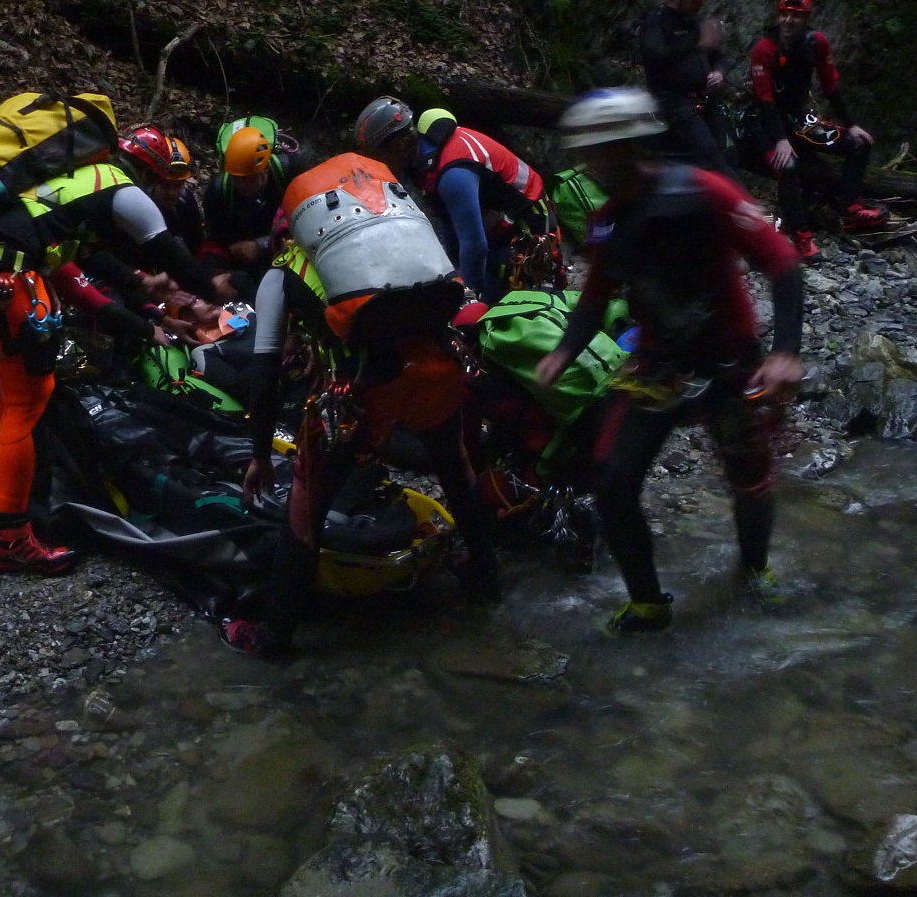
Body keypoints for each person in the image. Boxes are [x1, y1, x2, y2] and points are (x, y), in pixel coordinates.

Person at [532, 88, 805, 634]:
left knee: (748, 475)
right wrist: (564, 350)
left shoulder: (705, 192)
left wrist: (785, 354)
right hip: (659, 366)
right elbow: (594, 297)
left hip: (731, 361)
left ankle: (755, 568)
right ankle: (648, 603)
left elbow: (782, 262)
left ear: (633, 145)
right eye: (587, 154)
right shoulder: (607, 223)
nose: (594, 164)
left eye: (603, 151)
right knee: (611, 478)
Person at [220, 153, 501, 657]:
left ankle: (274, 637)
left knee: (306, 508)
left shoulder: (281, 276)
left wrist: (260, 456)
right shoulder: (400, 241)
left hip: (356, 399)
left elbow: (264, 375)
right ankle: (485, 579)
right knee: (454, 468)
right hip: (436, 371)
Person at [0, 136, 233, 575]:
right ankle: (11, 536)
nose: (176, 194)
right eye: (169, 183)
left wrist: (142, 300)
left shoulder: (61, 191)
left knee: (29, 396)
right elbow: (172, 254)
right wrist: (215, 292)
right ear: (147, 172)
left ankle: (21, 520)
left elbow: (75, 268)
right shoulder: (121, 188)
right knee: (24, 401)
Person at [354, 97, 563, 300]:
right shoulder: (421, 160)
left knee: (500, 300)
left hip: (527, 225)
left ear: (398, 145)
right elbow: (449, 221)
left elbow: (474, 245)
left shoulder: (453, 173)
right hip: (495, 221)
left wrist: (466, 296)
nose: (374, 163)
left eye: (377, 155)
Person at [749, 0, 889, 259]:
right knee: (787, 166)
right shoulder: (764, 48)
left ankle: (849, 208)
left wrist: (851, 124)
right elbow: (765, 99)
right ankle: (801, 235)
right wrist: (781, 140)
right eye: (785, 14)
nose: (788, 21)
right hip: (766, 123)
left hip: (800, 118)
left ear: (806, 19)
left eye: (796, 16)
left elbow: (830, 85)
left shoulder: (817, 43)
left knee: (858, 144)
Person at [639, 0, 733, 174]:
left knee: (728, 154)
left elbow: (720, 58)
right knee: (710, 158)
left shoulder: (696, 24)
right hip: (676, 104)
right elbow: (657, 58)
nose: (701, 2)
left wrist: (719, 73)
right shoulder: (656, 25)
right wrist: (697, 41)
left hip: (706, 100)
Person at [201, 125, 301, 278]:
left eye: (249, 179)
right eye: (237, 179)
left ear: (265, 169)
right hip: (244, 263)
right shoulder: (218, 191)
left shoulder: (290, 170)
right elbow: (214, 242)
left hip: (291, 248)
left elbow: (312, 217)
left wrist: (261, 245)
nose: (243, 185)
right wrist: (215, 275)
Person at [114, 124, 206, 257]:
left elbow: (197, 245)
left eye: (178, 185)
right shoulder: (136, 205)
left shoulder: (185, 202)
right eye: (166, 185)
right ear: (152, 179)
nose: (172, 193)